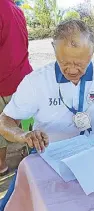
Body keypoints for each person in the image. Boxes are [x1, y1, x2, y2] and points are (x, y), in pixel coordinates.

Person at [0, 19, 94, 153]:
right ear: (54, 49)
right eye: (64, 62)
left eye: (79, 64)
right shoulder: (35, 81)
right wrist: (24, 135)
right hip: (51, 150)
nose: (72, 70)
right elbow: (5, 120)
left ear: (92, 51)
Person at [0, 0, 33, 176]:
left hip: (4, 81)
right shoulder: (16, 10)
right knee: (23, 123)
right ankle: (29, 156)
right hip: (22, 77)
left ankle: (1, 164)